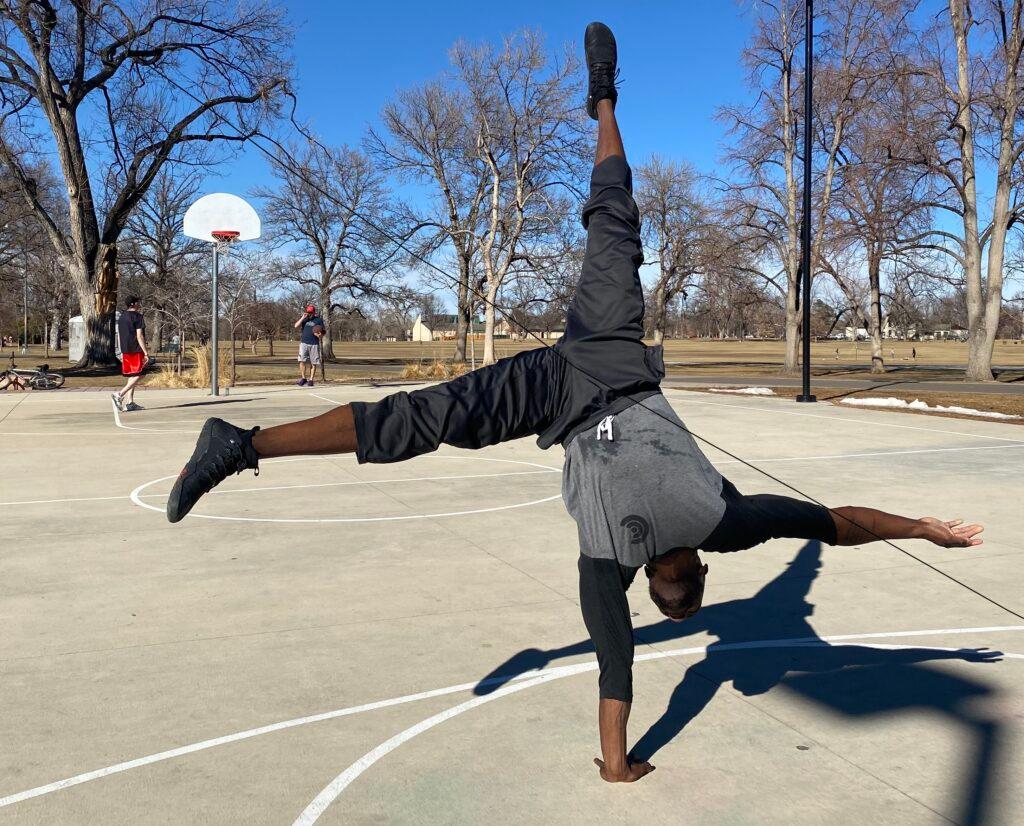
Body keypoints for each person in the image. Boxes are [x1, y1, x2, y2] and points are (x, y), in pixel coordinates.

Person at [164, 23, 984, 784]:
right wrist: (617, 768)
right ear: (679, 579)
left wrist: (924, 528)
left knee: (472, 364)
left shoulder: (663, 548)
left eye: (679, 586)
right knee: (574, 265)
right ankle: (603, 98)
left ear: (677, 579)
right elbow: (808, 539)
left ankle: (243, 442)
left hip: (582, 377)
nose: (680, 577)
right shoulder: (665, 546)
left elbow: (798, 544)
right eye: (680, 587)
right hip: (586, 375)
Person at [112, 296, 150, 412]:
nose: (140, 303)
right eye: (138, 302)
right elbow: (139, 335)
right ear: (133, 304)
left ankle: (130, 403)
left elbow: (119, 333)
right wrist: (146, 353)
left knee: (133, 375)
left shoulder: (122, 316)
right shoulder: (138, 317)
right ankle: (120, 394)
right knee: (141, 373)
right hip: (135, 349)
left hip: (125, 349)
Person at [295, 304, 325, 387]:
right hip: (304, 343)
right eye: (308, 312)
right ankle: (303, 378)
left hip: (314, 343)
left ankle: (311, 380)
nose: (309, 314)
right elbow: (296, 326)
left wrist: (320, 335)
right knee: (301, 361)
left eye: (311, 312)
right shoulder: (304, 320)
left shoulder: (318, 320)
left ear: (314, 312)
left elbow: (323, 332)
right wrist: (302, 317)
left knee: (313, 362)